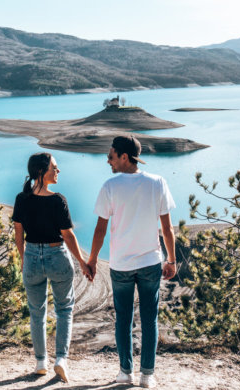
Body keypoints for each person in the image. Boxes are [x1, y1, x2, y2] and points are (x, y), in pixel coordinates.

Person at [87, 135, 177, 388]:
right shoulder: (158, 182)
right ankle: (147, 375)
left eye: (111, 155)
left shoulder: (110, 187)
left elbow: (100, 230)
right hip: (150, 262)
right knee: (150, 320)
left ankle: (125, 372)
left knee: (123, 319)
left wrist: (92, 260)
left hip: (121, 265)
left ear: (124, 157)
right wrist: (171, 260)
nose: (108, 160)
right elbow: (167, 229)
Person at [12, 152, 90, 383]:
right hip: (57, 256)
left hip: (32, 256)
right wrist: (83, 263)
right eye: (54, 168)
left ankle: (40, 362)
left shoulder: (21, 198)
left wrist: (24, 258)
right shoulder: (58, 200)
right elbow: (68, 236)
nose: (58, 171)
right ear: (40, 172)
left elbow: (19, 233)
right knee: (64, 309)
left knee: (37, 312)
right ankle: (61, 360)